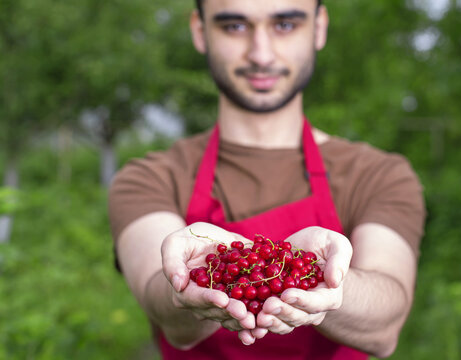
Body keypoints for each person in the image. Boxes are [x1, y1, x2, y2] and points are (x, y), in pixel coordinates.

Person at [108, 0, 425, 359]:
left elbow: (385, 326)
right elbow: (166, 310)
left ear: (319, 27)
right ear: (200, 31)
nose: (261, 54)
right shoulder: (148, 178)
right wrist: (184, 287)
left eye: (285, 25)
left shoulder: (378, 174)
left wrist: (331, 284)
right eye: (235, 26)